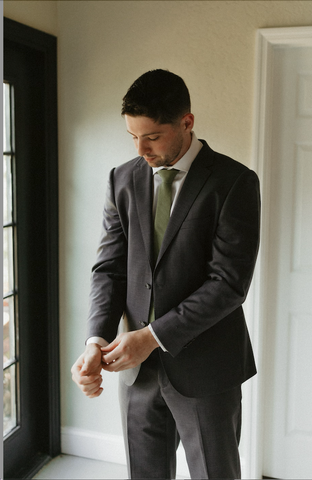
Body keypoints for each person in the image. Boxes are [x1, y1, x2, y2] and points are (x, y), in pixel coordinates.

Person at [71, 69, 260, 479]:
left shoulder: (235, 183)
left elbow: (228, 284)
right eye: (132, 136)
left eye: (152, 136)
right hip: (136, 371)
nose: (141, 149)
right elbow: (109, 269)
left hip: (207, 367)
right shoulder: (121, 179)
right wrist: (95, 340)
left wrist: (151, 338)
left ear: (186, 123)